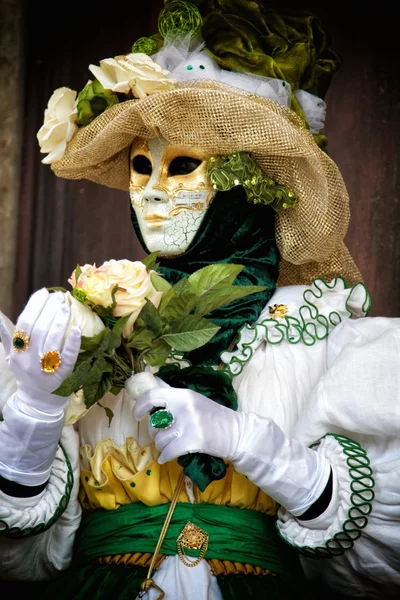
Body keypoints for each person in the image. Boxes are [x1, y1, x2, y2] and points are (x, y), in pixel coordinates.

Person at [1, 1, 400, 598]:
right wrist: (32, 409)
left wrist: (255, 448)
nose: (153, 193)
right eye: (141, 166)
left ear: (250, 184)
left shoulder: (323, 337)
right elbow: (20, 564)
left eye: (183, 166)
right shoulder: (95, 325)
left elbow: (380, 569)